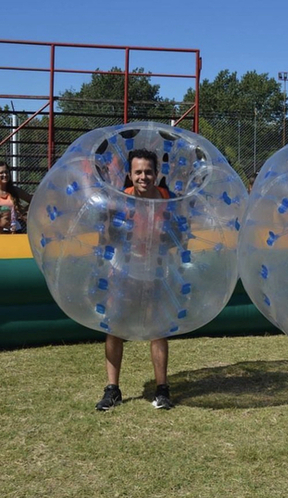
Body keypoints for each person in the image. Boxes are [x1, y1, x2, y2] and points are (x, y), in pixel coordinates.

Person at [95, 149, 174, 411]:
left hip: (155, 270)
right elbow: (106, 239)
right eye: (138, 172)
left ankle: (162, 389)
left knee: (158, 329)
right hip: (123, 270)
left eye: (148, 172)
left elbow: (177, 235)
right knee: (115, 328)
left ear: (156, 173)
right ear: (130, 174)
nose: (143, 177)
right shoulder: (120, 201)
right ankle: (112, 389)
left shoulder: (166, 198)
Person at [0, 161, 33, 234]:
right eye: (1, 173)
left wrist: (23, 211)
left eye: (6, 172)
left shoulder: (15, 191)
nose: (5, 175)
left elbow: (33, 200)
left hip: (14, 230)